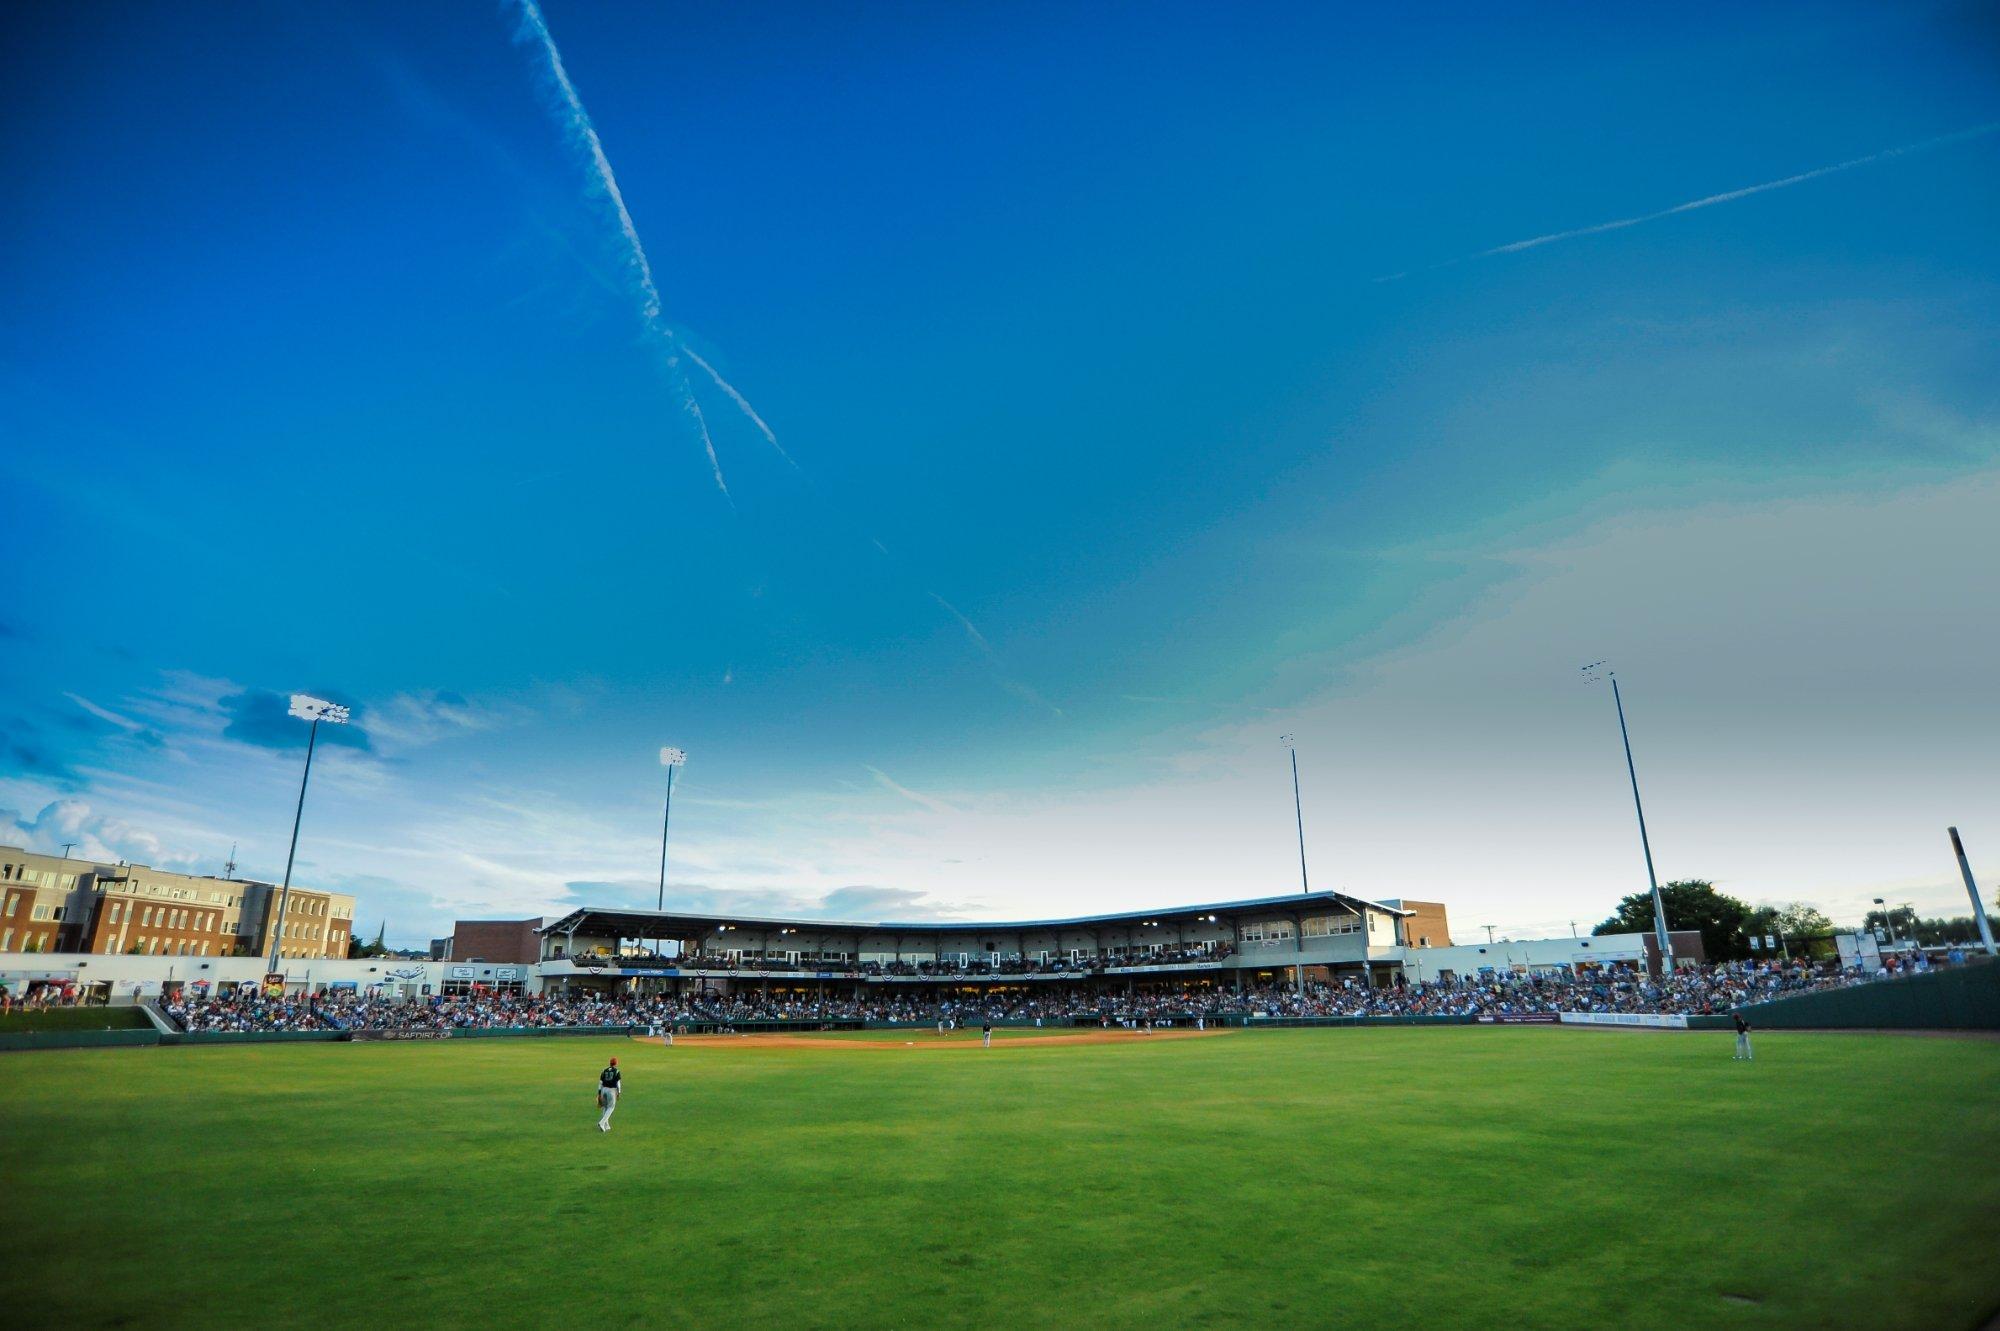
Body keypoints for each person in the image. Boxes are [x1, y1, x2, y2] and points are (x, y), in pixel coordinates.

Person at [597, 1056, 623, 1131]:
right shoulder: (617, 1071)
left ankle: (606, 1125)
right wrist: (619, 1092)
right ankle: (602, 1123)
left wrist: (599, 1092)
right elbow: (618, 1083)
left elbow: (600, 1082)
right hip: (611, 1090)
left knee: (605, 1107)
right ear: (616, 1063)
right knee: (611, 1107)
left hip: (603, 1090)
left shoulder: (604, 1070)